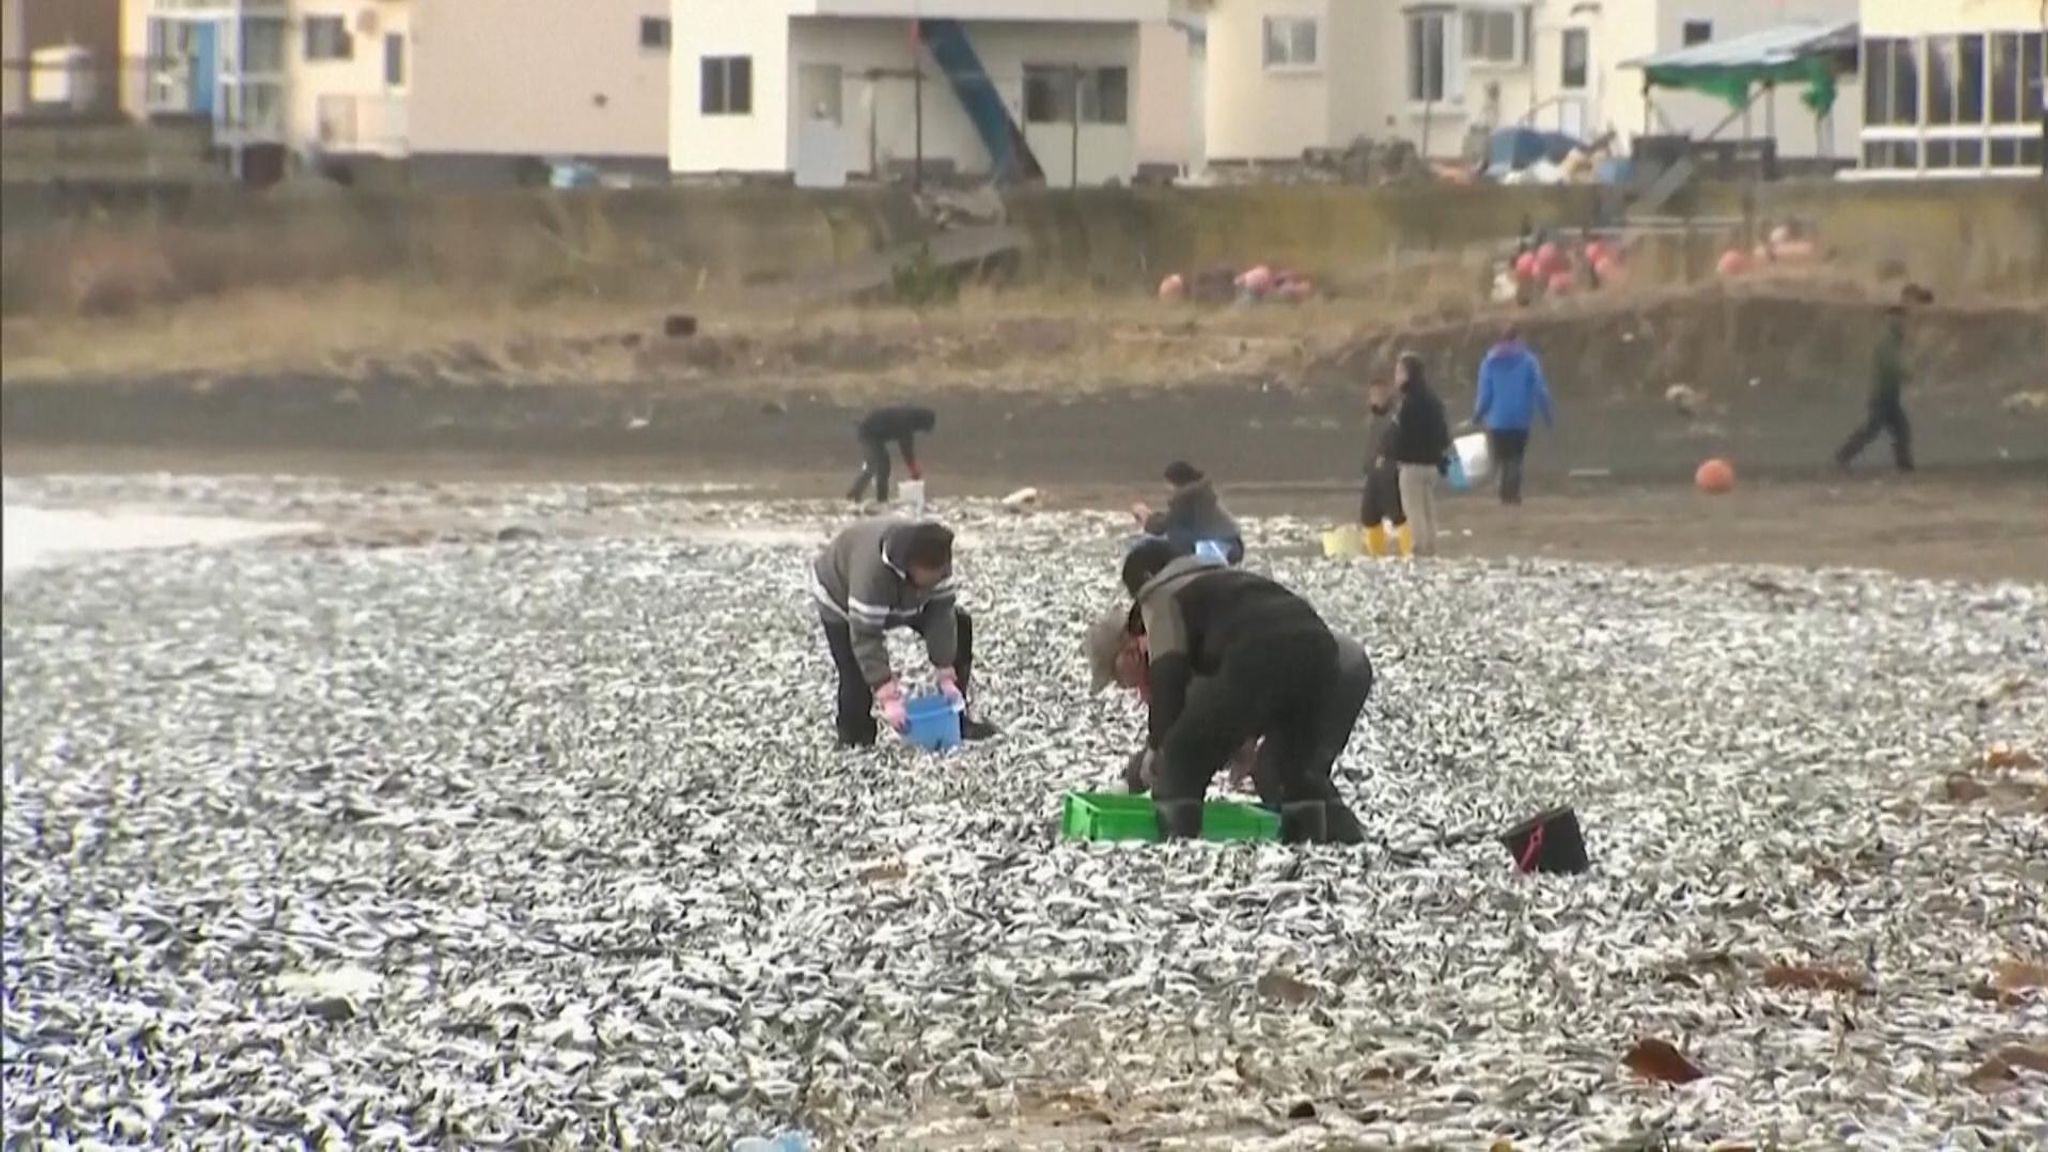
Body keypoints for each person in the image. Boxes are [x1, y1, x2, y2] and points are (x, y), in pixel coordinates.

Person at [1116, 538, 1369, 844]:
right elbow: (1228, 697)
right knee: (1286, 768)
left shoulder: (1161, 595)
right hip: (1320, 651)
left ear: (1145, 579)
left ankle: (1176, 855)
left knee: (1182, 756)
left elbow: (1169, 673)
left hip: (1259, 653)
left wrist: (1158, 747)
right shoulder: (1229, 579)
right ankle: (1344, 846)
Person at [1086, 601, 1375, 824]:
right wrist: (1127, 783)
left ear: (1130, 651)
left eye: (1115, 674)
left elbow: (1195, 730)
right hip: (1297, 680)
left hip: (1335, 671)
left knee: (1284, 772)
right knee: (1279, 775)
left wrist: (1241, 741)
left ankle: (1348, 843)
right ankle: (1318, 837)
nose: (1119, 685)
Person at [810, 517, 998, 748]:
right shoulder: (872, 575)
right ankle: (854, 738)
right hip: (839, 597)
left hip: (908, 597)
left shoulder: (937, 563)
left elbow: (941, 613)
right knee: (855, 672)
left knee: (960, 624)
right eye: (930, 577)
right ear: (909, 564)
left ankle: (955, 715)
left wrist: (945, 669)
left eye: (939, 575)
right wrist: (887, 694)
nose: (936, 581)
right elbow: (866, 635)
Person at [1472, 325, 1554, 505]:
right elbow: (1540, 390)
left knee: (1502, 459)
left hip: (1496, 420)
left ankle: (1504, 495)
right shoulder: (1529, 361)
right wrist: (1547, 414)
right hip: (1520, 419)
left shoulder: (1489, 362)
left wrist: (1478, 415)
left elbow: (1485, 395)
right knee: (1515, 459)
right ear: (1518, 339)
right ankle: (1513, 495)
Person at [1834, 301, 1915, 473]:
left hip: (1889, 398)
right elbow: (1888, 366)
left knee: (1900, 430)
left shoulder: (1894, 343)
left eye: (1903, 320)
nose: (1903, 325)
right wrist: (1905, 374)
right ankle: (1843, 456)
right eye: (1900, 321)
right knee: (1874, 430)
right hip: (1882, 397)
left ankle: (1904, 465)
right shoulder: (1888, 343)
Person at [1388, 351, 1453, 557]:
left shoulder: (1407, 403)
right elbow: (1444, 435)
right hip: (1432, 466)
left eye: (1399, 372)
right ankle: (1431, 547)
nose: (1396, 377)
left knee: (1414, 510)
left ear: (1408, 375)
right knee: (1428, 509)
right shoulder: (1434, 401)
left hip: (1411, 465)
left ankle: (1419, 548)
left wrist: (1393, 454)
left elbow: (1400, 435)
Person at [1130, 461, 1245, 565]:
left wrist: (1145, 516)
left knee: (1176, 531)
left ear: (1175, 482)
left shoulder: (1185, 498)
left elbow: (1162, 527)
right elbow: (1173, 517)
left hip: (1221, 548)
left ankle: (1184, 563)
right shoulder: (1201, 493)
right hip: (1234, 544)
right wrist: (1153, 516)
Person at [846, 405, 937, 506]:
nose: (921, 431)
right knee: (880, 466)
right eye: (924, 428)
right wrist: (913, 469)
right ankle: (878, 500)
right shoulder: (906, 420)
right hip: (868, 436)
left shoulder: (909, 416)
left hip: (872, 435)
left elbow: (906, 445)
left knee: (879, 466)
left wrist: (913, 467)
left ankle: (861, 495)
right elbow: (906, 447)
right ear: (922, 422)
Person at [1358, 383, 1406, 558]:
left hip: (1389, 469)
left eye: (1379, 394)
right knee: (1369, 514)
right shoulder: (1372, 419)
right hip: (1372, 471)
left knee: (1397, 513)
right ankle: (1376, 554)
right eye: (1372, 394)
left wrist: (1388, 459)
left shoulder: (1395, 416)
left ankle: (1409, 551)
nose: (1374, 398)